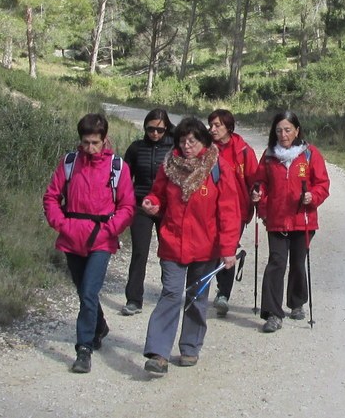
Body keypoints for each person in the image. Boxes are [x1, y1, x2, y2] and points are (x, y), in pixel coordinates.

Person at [140, 116, 241, 375]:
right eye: (182, 141)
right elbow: (158, 194)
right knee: (172, 294)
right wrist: (152, 203)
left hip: (206, 247)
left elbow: (229, 211)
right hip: (173, 243)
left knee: (196, 298)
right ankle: (158, 353)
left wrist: (228, 249)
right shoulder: (168, 167)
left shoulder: (218, 168)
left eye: (192, 141)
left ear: (204, 142)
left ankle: (190, 347)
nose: (186, 146)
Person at [43, 113, 135, 374]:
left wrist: (109, 230)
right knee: (84, 291)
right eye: (86, 143)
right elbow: (51, 197)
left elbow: (127, 206)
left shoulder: (117, 168)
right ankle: (99, 326)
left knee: (88, 291)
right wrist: (61, 224)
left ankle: (83, 349)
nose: (90, 148)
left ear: (104, 140)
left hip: (101, 240)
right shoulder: (70, 163)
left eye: (95, 143)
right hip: (71, 236)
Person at [251, 110, 330, 333]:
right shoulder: (269, 155)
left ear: (297, 130)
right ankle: (273, 314)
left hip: (302, 219)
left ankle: (296, 302)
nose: (283, 134)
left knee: (297, 263)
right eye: (278, 130)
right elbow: (260, 183)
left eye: (287, 130)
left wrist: (312, 197)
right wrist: (259, 197)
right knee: (276, 263)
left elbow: (322, 184)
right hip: (276, 219)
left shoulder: (309, 154)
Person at [120, 108, 175, 315]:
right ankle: (134, 299)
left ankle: (169, 293)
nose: (155, 134)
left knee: (168, 251)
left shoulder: (174, 149)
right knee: (140, 252)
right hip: (140, 205)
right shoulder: (136, 148)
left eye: (160, 130)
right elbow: (125, 178)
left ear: (166, 129)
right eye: (151, 129)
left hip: (166, 207)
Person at [207, 108, 257, 318]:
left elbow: (255, 179)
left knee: (227, 247)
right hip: (209, 207)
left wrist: (257, 196)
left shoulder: (244, 151)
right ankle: (201, 289)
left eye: (217, 125)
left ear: (229, 127)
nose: (213, 129)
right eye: (211, 125)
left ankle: (223, 294)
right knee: (210, 248)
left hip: (236, 210)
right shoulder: (206, 149)